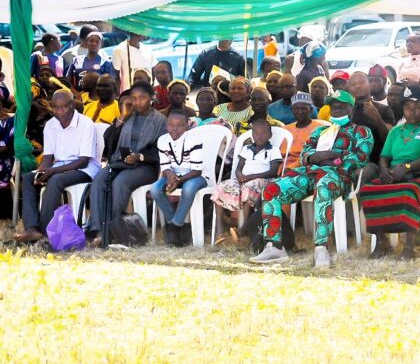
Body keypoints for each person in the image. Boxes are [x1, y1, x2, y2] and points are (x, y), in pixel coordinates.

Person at [251, 90, 372, 268]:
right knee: (272, 189)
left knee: (323, 187)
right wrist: (320, 157)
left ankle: (321, 249)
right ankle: (274, 246)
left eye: (341, 106)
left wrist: (333, 154)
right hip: (308, 174)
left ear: (351, 109)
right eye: (333, 107)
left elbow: (360, 157)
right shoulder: (321, 131)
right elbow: (305, 155)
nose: (336, 110)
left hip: (337, 176)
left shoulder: (361, 131)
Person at [85, 82, 167, 245]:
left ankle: (113, 229)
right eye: (134, 99)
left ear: (151, 98)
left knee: (120, 182)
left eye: (142, 98)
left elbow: (161, 150)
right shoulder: (128, 116)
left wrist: (139, 157)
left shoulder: (160, 121)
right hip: (120, 163)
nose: (137, 102)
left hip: (146, 166)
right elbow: (110, 143)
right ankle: (98, 229)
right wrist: (122, 117)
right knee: (99, 179)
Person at [362, 85, 420, 261]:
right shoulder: (396, 131)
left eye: (417, 107)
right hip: (394, 173)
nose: (413, 112)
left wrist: (408, 167)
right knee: (368, 191)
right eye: (408, 108)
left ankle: (410, 246)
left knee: (408, 191)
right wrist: (383, 170)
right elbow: (384, 156)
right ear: (403, 109)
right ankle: (382, 242)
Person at [14, 90, 100, 243]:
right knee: (28, 178)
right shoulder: (50, 125)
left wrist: (52, 171)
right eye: (55, 107)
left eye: (64, 107)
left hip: (85, 168)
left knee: (56, 180)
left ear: (72, 105)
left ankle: (44, 231)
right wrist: (42, 171)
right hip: (60, 166)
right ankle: (31, 228)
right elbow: (48, 157)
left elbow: (84, 161)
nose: (59, 111)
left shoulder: (86, 124)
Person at [212, 119, 283, 248]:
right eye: (256, 133)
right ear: (252, 135)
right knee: (220, 188)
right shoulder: (247, 149)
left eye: (263, 133)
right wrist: (240, 176)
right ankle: (219, 230)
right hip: (245, 180)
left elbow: (273, 172)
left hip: (264, 181)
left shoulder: (273, 150)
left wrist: (251, 177)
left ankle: (244, 229)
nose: (259, 136)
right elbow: (239, 168)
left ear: (270, 135)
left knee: (248, 189)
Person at [150, 111, 206, 246]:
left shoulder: (194, 139)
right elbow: (165, 167)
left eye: (179, 125)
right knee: (155, 189)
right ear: (166, 125)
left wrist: (178, 180)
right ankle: (176, 226)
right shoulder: (162, 140)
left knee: (189, 188)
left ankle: (174, 226)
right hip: (173, 175)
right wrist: (171, 177)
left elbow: (197, 171)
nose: (174, 128)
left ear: (187, 125)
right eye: (171, 125)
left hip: (196, 176)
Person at [348, 71, 394, 179]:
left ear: (369, 84)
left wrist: (377, 119)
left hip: (373, 162)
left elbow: (390, 140)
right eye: (353, 84)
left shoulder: (384, 110)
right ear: (349, 88)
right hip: (348, 160)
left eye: (361, 82)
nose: (358, 86)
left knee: (358, 176)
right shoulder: (346, 111)